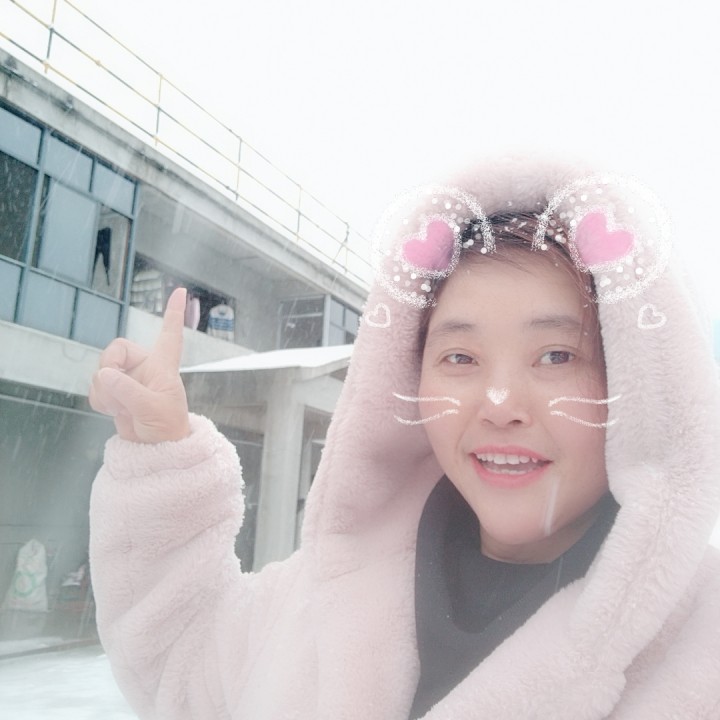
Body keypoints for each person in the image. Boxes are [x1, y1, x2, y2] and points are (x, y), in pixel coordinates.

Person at [88, 157, 720, 719]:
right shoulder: (328, 593)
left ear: (637, 382)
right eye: (460, 358)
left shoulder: (700, 651)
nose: (500, 405)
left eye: (556, 355)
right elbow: (185, 671)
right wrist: (162, 454)